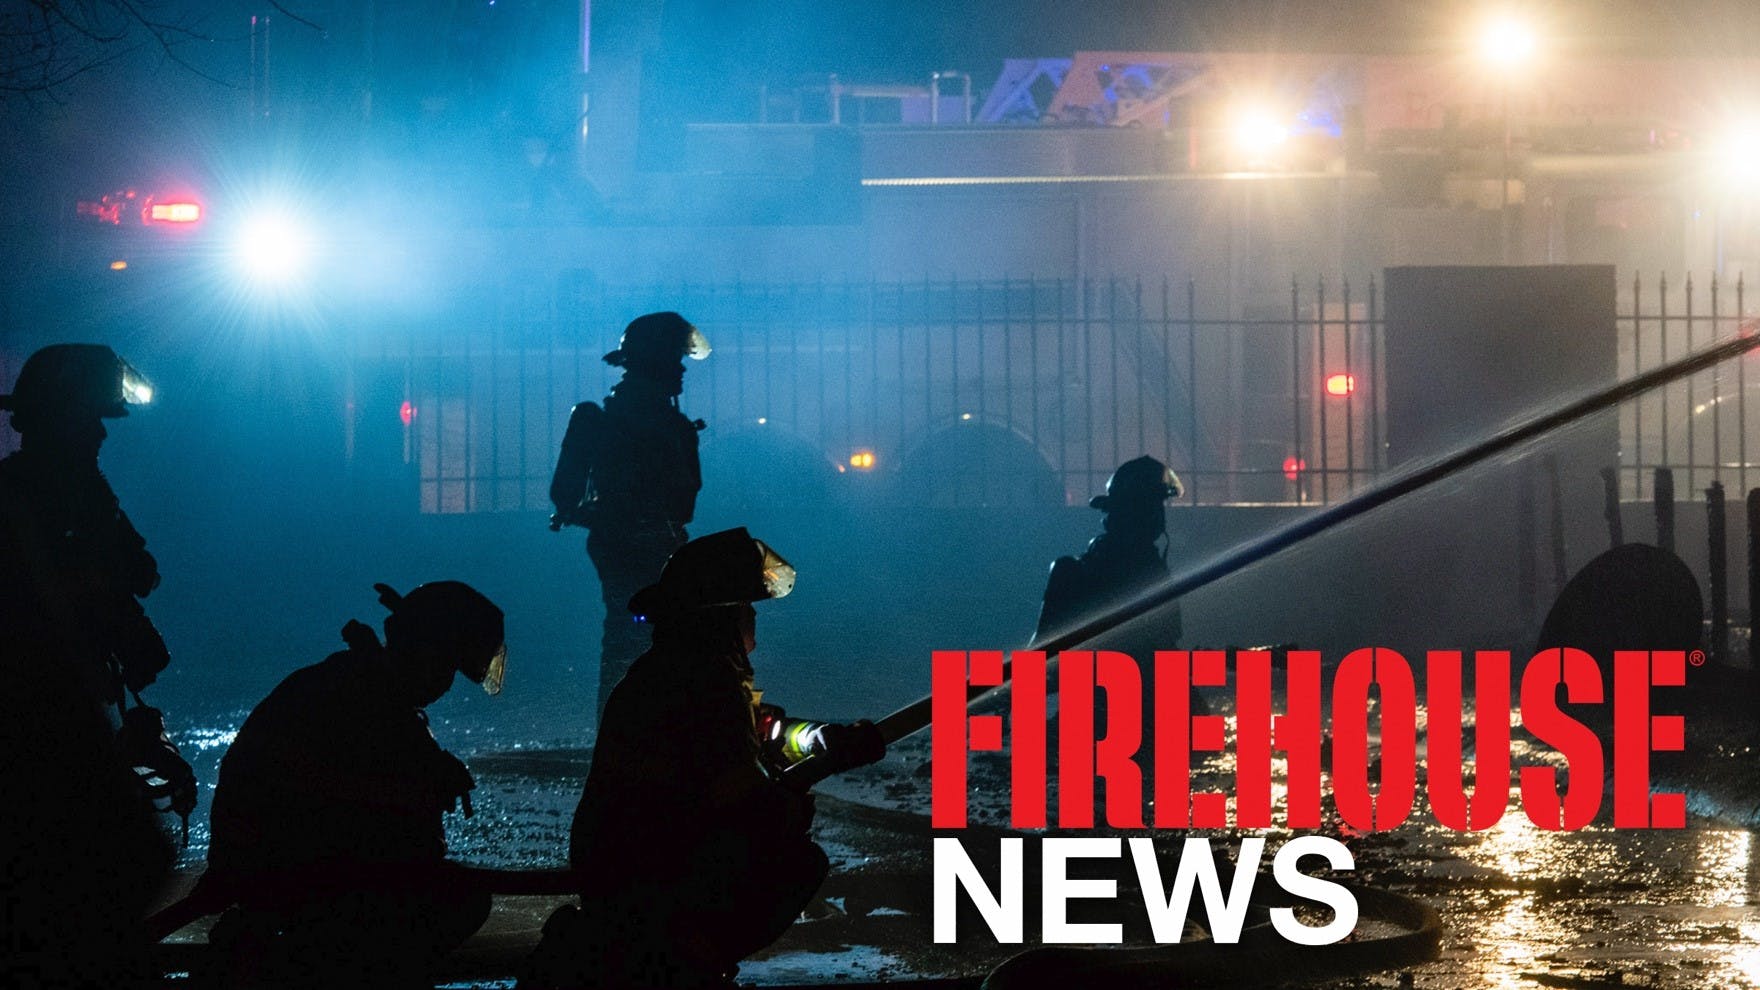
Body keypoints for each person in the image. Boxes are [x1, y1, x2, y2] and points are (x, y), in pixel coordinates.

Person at [523, 528, 886, 989]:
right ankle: (687, 960)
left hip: (624, 867)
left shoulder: (680, 672)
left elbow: (768, 732)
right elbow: (747, 805)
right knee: (799, 861)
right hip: (650, 877)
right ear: (723, 615)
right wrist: (804, 789)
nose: (753, 615)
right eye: (746, 606)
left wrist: (823, 739)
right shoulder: (704, 686)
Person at [199, 581, 509, 988]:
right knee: (457, 900)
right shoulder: (357, 696)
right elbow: (339, 798)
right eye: (447, 667)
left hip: (277, 860)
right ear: (424, 653)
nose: (446, 683)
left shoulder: (367, 688)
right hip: (275, 867)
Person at [0, 343, 177, 988]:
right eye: (90, 418)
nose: (102, 432)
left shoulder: (75, 495)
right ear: (56, 420)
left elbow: (140, 570)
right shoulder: (27, 503)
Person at [550, 311, 710, 718]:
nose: (680, 370)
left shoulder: (662, 426)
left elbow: (683, 502)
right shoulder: (650, 426)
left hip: (643, 544)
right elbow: (682, 502)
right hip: (634, 545)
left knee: (640, 637)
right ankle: (625, 730)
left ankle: (636, 728)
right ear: (654, 362)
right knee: (634, 636)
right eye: (673, 359)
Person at [1035, 455, 1184, 647]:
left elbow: (1166, 651)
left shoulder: (1156, 574)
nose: (1157, 516)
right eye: (1149, 507)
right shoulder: (1072, 573)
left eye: (1158, 507)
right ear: (1127, 512)